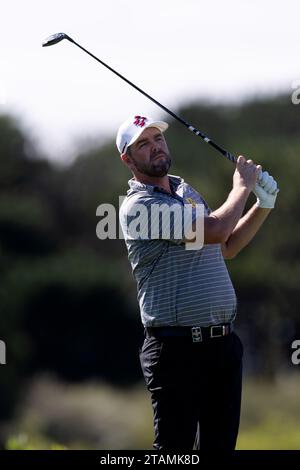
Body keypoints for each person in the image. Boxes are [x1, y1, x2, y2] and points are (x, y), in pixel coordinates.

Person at [117, 114, 278, 451]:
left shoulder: (185, 191)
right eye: (143, 145)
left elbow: (227, 246)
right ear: (128, 159)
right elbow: (217, 228)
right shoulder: (139, 207)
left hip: (222, 346)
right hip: (176, 351)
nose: (155, 147)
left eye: (157, 139)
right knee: (174, 453)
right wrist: (242, 187)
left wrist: (264, 205)